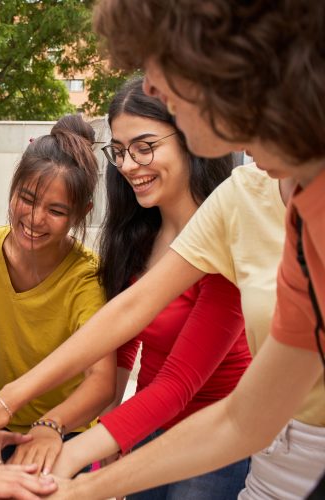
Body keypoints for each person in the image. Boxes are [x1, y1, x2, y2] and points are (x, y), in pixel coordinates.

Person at [0, 0, 325, 498]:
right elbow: (135, 323)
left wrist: (60, 446)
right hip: (257, 454)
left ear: (225, 62)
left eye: (159, 65)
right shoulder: (265, 199)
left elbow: (202, 395)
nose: (149, 88)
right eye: (119, 151)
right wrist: (27, 424)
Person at [53, 78, 250, 498]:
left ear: (190, 138)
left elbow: (179, 385)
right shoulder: (138, 234)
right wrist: (110, 434)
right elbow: (122, 345)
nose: (127, 165)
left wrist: (74, 452)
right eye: (120, 152)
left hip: (215, 439)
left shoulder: (229, 236)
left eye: (145, 147)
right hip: (148, 421)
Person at [0, 115, 114, 475]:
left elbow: (102, 381)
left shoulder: (85, 277)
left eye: (56, 211)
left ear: (80, 214)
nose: (35, 219)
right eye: (27, 199)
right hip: (0, 427)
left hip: (65, 433)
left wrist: (51, 427)